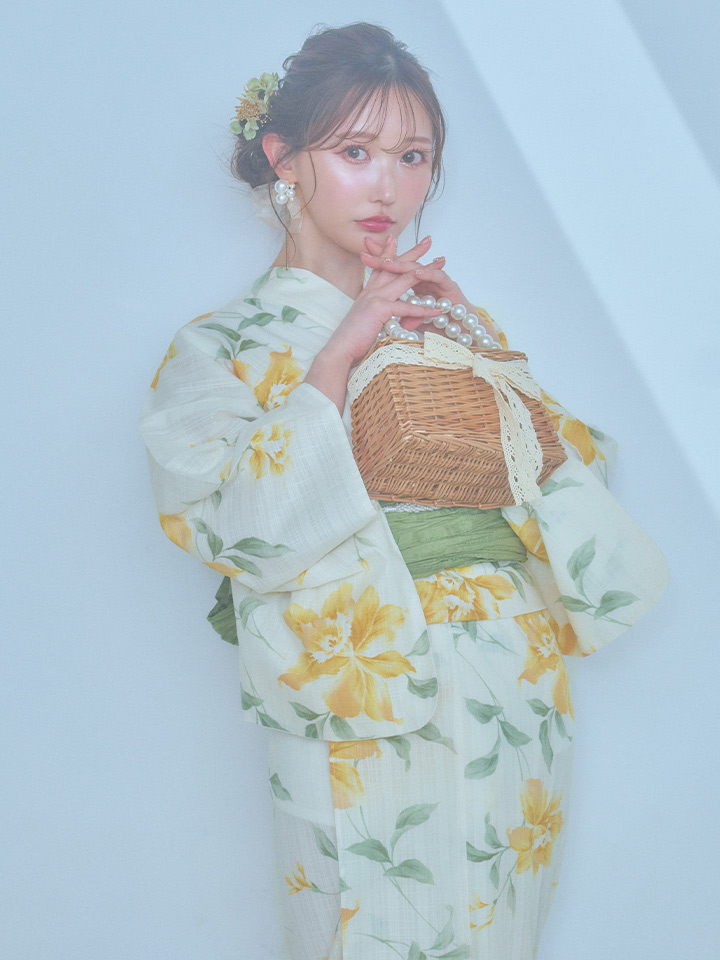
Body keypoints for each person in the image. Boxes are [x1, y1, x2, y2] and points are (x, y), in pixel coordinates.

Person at [140, 22, 668, 960]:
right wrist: (338, 357)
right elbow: (226, 524)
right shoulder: (221, 346)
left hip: (509, 675)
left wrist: (487, 360)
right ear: (282, 157)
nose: (389, 186)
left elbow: (576, 463)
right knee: (362, 928)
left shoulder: (446, 324)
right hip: (354, 675)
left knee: (500, 930)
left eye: (412, 156)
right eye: (356, 152)